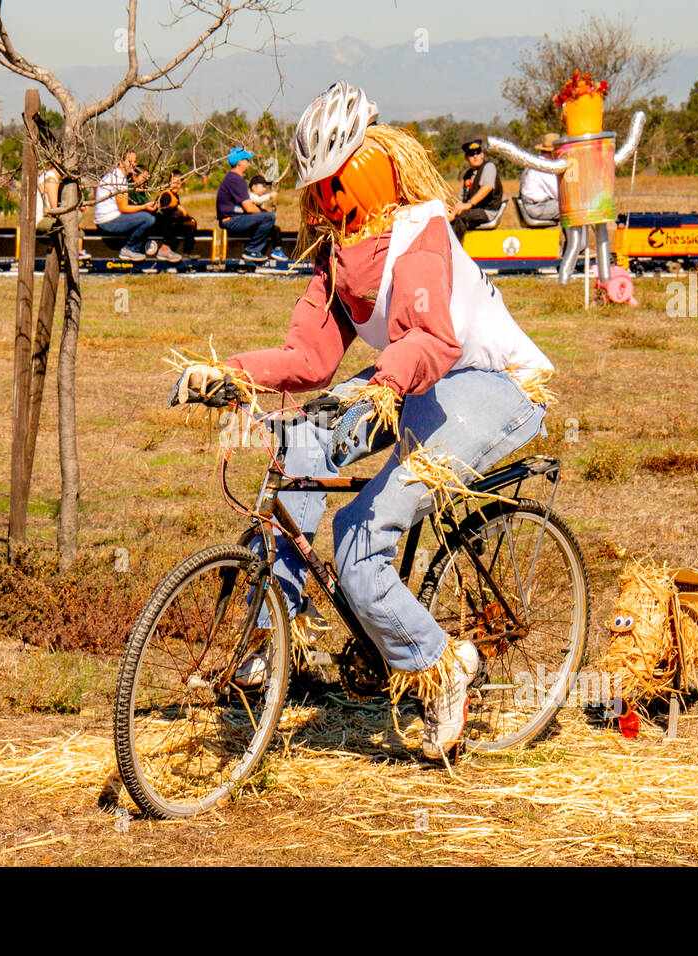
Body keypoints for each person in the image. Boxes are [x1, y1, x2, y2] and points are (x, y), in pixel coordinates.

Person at [170, 82, 554, 760]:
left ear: (366, 167)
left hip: (491, 384)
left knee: (356, 533)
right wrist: (229, 373)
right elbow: (307, 357)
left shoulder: (419, 232)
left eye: (332, 183)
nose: (325, 201)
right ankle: (276, 630)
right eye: (315, 189)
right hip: (411, 383)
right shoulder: (340, 257)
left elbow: (430, 338)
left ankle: (444, 669)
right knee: (304, 441)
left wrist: (381, 386)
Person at [93, 149, 166, 262]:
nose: (133, 164)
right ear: (120, 162)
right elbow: (124, 208)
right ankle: (130, 248)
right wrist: (144, 207)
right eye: (129, 161)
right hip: (108, 222)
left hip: (105, 219)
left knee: (143, 216)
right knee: (148, 219)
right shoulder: (119, 179)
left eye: (134, 161)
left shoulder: (114, 176)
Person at [215, 148, 284, 263]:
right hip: (231, 220)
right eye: (246, 159)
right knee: (269, 217)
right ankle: (252, 250)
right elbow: (249, 208)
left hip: (232, 218)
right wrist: (264, 214)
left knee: (266, 217)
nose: (248, 162)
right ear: (239, 163)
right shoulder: (236, 179)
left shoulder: (232, 178)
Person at [449, 137, 503, 240]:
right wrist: (452, 210)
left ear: (482, 154)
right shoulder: (468, 175)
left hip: (487, 211)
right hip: (474, 211)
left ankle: (455, 250)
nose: (475, 156)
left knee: (462, 216)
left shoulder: (489, 167)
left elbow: (487, 188)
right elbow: (461, 198)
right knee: (447, 214)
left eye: (478, 152)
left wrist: (469, 204)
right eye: (471, 154)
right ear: (467, 158)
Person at [518, 133, 561, 224]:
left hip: (533, 205)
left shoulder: (535, 162)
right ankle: (573, 238)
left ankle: (570, 237)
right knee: (569, 208)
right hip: (536, 207)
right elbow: (558, 193)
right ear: (554, 152)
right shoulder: (544, 167)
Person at [156, 170, 197, 259]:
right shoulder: (166, 194)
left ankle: (187, 252)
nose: (176, 185)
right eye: (174, 182)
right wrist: (176, 207)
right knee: (178, 214)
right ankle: (165, 247)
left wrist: (189, 218)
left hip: (171, 222)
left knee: (191, 223)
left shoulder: (175, 196)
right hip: (163, 223)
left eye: (179, 183)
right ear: (169, 182)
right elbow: (163, 210)